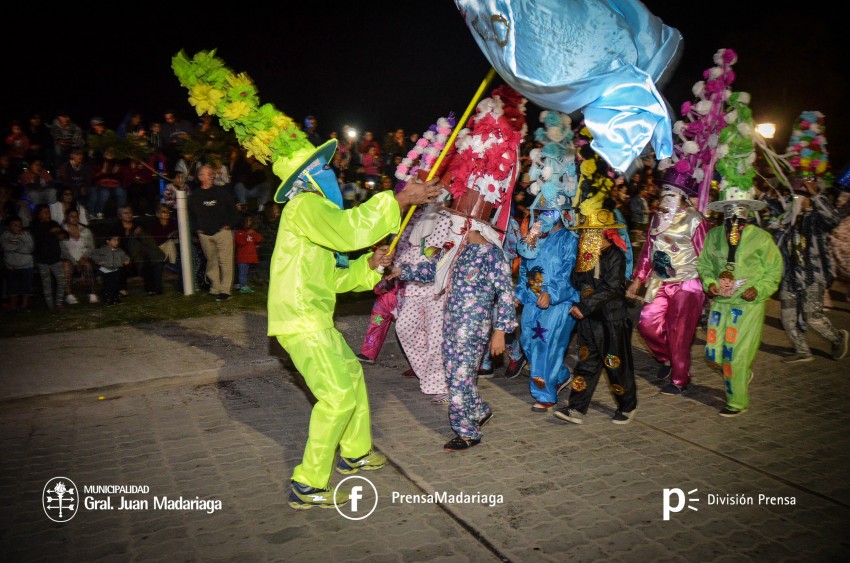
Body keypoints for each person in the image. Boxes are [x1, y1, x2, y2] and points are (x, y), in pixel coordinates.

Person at [267, 150, 441, 507]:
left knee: (351, 377)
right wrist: (399, 198)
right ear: (308, 176)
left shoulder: (311, 214)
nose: (332, 171)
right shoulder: (305, 206)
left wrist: (370, 265)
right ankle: (308, 484)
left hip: (312, 316)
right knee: (337, 396)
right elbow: (350, 231)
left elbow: (332, 278)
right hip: (302, 318)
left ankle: (355, 452)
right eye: (324, 167)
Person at [627, 169, 710, 394]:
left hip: (687, 283)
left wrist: (709, 284)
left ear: (681, 194)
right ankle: (668, 358)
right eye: (664, 189)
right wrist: (638, 280)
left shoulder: (695, 219)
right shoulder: (657, 217)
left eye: (671, 190)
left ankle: (680, 379)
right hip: (660, 281)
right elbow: (647, 251)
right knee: (647, 324)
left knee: (679, 332)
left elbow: (706, 255)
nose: (665, 194)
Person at [775, 111, 849, 363]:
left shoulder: (817, 216)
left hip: (812, 275)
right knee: (786, 317)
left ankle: (838, 337)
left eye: (801, 195)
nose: (797, 199)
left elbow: (833, 220)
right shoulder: (788, 218)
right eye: (795, 195)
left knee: (813, 316)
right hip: (790, 274)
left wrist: (815, 196)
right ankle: (801, 351)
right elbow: (775, 237)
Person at [554, 207, 637, 425]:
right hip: (589, 322)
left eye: (590, 231)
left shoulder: (615, 256)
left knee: (615, 365)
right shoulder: (587, 257)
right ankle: (576, 408)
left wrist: (586, 305)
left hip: (611, 320)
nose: (585, 235)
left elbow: (612, 288)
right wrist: (580, 264)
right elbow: (576, 283)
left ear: (603, 233)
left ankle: (627, 405)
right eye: (584, 231)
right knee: (586, 363)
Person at [188, 165, 239, 301]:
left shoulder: (222, 192)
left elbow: (233, 210)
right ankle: (215, 287)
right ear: (200, 177)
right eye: (208, 173)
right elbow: (190, 216)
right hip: (204, 234)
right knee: (212, 261)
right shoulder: (195, 196)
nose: (211, 175)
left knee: (226, 262)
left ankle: (225, 290)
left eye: (212, 173)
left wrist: (229, 225)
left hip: (222, 232)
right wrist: (197, 229)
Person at [31, 203, 67, 311]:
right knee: (46, 283)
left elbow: (64, 233)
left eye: (48, 212)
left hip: (55, 257)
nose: (48, 214)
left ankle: (59, 303)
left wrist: (62, 234)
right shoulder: (35, 225)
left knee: (61, 281)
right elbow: (39, 237)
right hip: (42, 259)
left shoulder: (53, 223)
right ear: (38, 215)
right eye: (44, 212)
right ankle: (50, 306)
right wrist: (51, 233)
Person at [60, 208, 97, 304]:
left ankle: (92, 293)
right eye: (71, 216)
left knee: (87, 265)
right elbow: (62, 250)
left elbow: (91, 247)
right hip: (68, 258)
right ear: (67, 217)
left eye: (76, 216)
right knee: (66, 266)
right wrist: (74, 261)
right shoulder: (61, 231)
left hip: (83, 257)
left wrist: (83, 258)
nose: (74, 218)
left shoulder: (85, 230)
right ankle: (69, 295)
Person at [0, 215, 34, 313]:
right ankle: (13, 306)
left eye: (19, 225)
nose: (18, 227)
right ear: (9, 227)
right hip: (12, 267)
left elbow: (30, 248)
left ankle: (24, 306)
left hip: (27, 265)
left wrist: (15, 247)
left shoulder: (26, 234)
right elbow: (6, 247)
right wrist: (21, 246)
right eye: (15, 225)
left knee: (26, 287)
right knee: (13, 288)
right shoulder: (5, 236)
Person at [87, 234, 131, 306]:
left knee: (116, 285)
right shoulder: (103, 250)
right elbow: (93, 255)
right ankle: (108, 299)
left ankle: (115, 298)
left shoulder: (119, 251)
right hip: (106, 270)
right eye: (114, 240)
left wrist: (126, 260)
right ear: (108, 241)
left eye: (117, 240)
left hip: (116, 269)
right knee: (108, 285)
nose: (117, 242)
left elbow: (125, 256)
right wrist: (98, 261)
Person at [233, 214, 263, 293]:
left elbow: (259, 239)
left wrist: (253, 233)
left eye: (250, 220)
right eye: (248, 221)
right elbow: (241, 243)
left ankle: (242, 284)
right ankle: (243, 286)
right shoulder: (239, 232)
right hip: (242, 258)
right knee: (242, 272)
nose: (250, 222)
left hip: (250, 257)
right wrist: (247, 235)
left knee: (246, 272)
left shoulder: (252, 232)